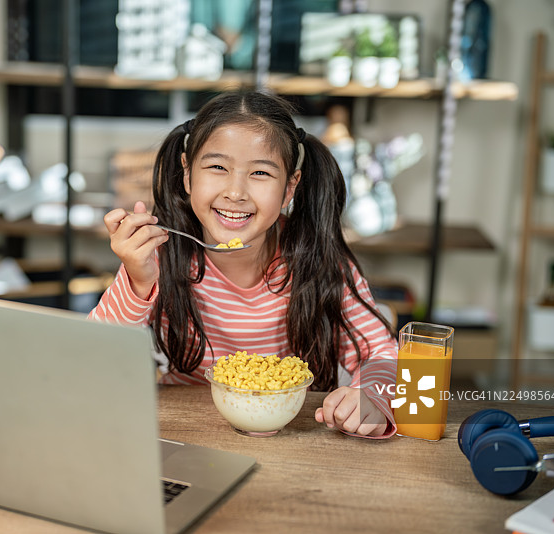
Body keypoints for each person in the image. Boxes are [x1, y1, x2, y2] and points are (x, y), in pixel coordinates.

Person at [89, 91, 398, 438]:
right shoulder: (159, 254)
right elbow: (89, 359)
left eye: (261, 173)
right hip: (185, 434)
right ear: (188, 175)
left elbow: (383, 352)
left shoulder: (318, 258)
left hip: (294, 437)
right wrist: (138, 281)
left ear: (289, 189)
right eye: (218, 167)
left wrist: (372, 396)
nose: (236, 192)